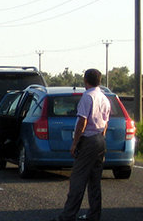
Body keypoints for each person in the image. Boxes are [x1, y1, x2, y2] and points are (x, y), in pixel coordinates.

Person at [51, 69, 111, 221]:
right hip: (100, 139)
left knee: (78, 179)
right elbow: (106, 122)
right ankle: (94, 214)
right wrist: (101, 139)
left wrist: (75, 143)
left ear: (86, 81)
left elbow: (82, 121)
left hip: (88, 139)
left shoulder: (87, 96)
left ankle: (68, 215)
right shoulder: (104, 98)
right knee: (94, 180)